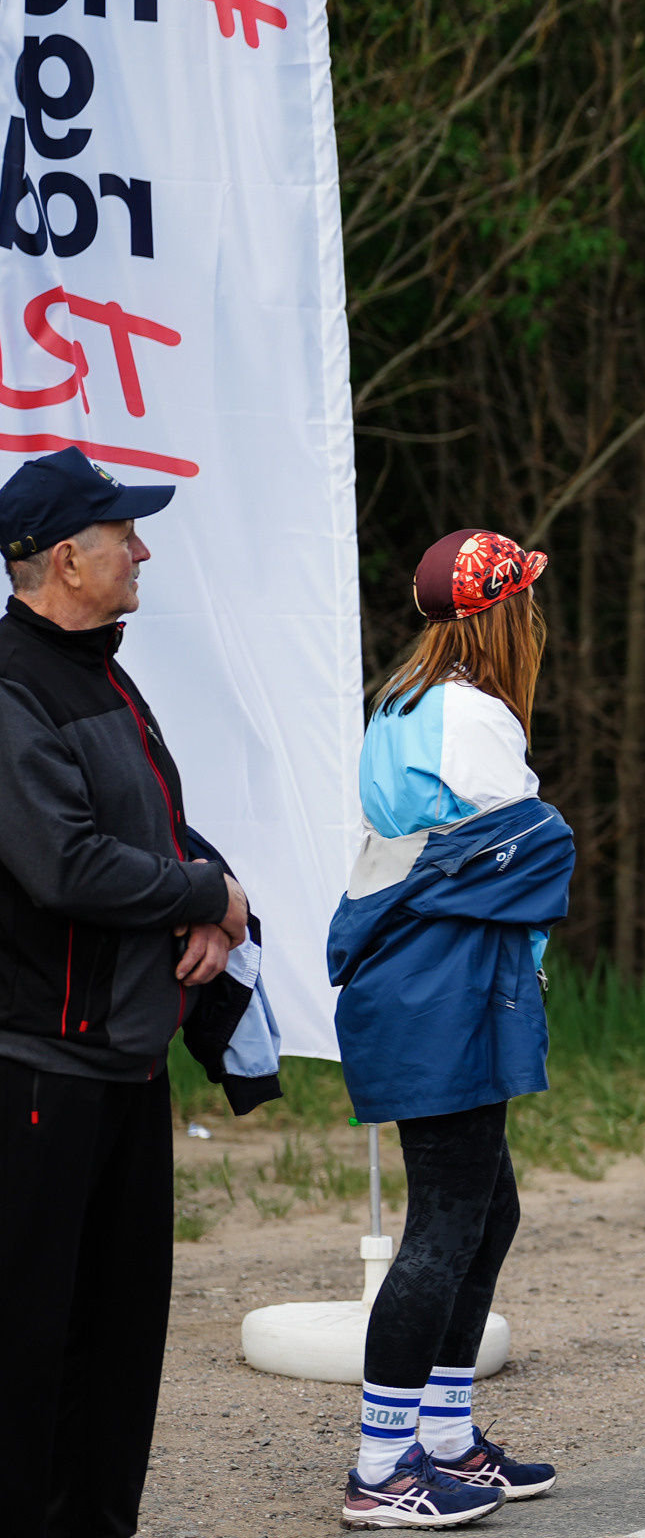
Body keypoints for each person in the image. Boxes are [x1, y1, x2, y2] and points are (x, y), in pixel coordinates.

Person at [0, 447, 250, 1538]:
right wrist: (198, 887)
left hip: (126, 1059)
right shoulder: (13, 685)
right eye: (124, 536)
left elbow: (144, 824)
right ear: (67, 558)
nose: (143, 550)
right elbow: (65, 863)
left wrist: (211, 891)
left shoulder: (101, 665)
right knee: (30, 1343)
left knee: (119, 1335)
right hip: (42, 1070)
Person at [325, 529, 573, 1526]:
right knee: (444, 1224)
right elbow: (527, 860)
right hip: (446, 991)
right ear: (504, 615)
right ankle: (382, 1469)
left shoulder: (402, 701)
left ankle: (444, 1437)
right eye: (532, 602)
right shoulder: (474, 717)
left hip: (410, 983)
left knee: (484, 1209)